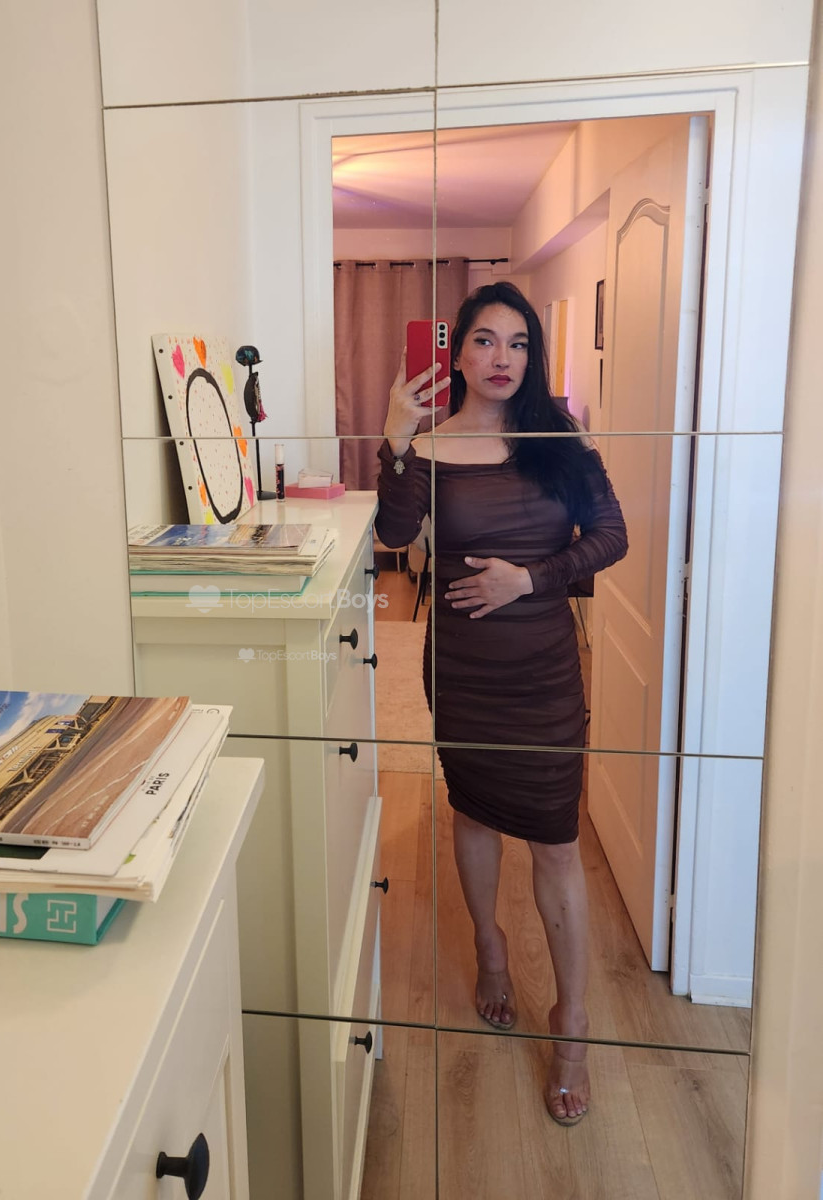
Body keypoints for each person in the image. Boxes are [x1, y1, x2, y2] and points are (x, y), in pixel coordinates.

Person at [375, 281, 628, 1127]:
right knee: (475, 812)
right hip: (464, 670)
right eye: (485, 340)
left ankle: (573, 1022)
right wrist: (395, 442)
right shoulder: (432, 445)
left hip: (544, 675)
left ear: (533, 357)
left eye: (518, 343)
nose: (502, 358)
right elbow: (395, 536)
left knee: (557, 842)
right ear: (457, 354)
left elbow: (611, 536)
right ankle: (489, 946)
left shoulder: (561, 442)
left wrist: (532, 578)